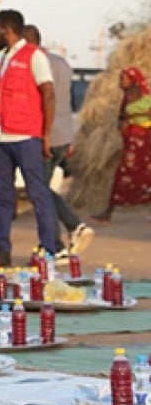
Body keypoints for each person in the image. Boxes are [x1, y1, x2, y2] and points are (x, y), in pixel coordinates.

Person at [0, 9, 58, 266]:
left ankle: (48, 250)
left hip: (27, 137)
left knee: (38, 194)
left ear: (7, 30)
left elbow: (48, 94)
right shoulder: (5, 57)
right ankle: (2, 252)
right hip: (1, 139)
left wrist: (46, 135)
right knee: (4, 197)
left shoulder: (34, 56)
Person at [23, 25, 94, 253]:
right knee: (41, 189)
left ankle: (59, 240)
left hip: (46, 136)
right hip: (63, 135)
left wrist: (41, 135)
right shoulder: (61, 63)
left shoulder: (34, 64)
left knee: (40, 192)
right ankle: (62, 236)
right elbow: (67, 101)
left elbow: (47, 102)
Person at [92, 67, 151, 223]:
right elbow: (120, 117)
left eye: (123, 78)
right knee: (122, 176)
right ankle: (108, 212)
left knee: (145, 176)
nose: (121, 81)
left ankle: (108, 213)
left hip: (143, 141)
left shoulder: (146, 97)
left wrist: (133, 116)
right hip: (130, 141)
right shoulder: (126, 98)